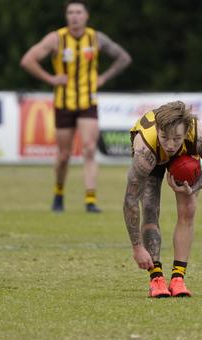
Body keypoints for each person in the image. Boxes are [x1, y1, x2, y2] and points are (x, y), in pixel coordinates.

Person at [20, 0, 131, 213]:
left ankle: (90, 200)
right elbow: (28, 60)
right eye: (70, 12)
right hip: (64, 103)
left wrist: (104, 77)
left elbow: (124, 58)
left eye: (78, 12)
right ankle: (59, 193)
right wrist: (50, 79)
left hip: (88, 102)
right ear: (66, 16)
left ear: (86, 15)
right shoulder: (56, 39)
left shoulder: (96, 38)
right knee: (63, 155)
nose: (74, 16)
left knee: (89, 148)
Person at [123, 101, 202, 298]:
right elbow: (130, 200)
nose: (170, 145)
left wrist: (193, 188)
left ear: (186, 132)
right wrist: (137, 247)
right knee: (150, 209)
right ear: (158, 130)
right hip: (153, 157)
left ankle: (178, 279)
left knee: (188, 209)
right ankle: (156, 279)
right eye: (165, 138)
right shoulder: (145, 149)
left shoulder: (199, 137)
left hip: (185, 157)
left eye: (177, 139)